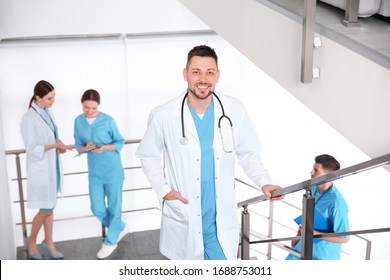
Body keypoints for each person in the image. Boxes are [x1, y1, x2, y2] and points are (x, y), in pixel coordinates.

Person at [136, 45, 283, 260]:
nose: (203, 79)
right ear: (185, 74)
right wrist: (164, 190)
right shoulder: (163, 115)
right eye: (196, 72)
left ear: (218, 76)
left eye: (209, 72)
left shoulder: (234, 109)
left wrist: (264, 181)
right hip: (185, 215)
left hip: (219, 223)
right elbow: (148, 155)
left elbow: (248, 153)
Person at [20, 80, 73, 260]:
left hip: (53, 168)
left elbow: (51, 137)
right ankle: (32, 240)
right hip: (41, 170)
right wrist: (54, 145)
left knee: (50, 207)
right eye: (50, 98)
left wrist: (58, 146)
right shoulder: (28, 119)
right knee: (46, 208)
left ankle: (49, 241)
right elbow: (32, 148)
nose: (53, 101)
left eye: (54, 97)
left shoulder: (47, 112)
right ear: (38, 98)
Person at [73, 89, 127, 259]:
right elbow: (78, 145)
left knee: (114, 208)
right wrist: (85, 148)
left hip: (112, 170)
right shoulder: (78, 121)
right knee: (96, 207)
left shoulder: (108, 121)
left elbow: (119, 141)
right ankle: (119, 227)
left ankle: (111, 242)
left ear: (99, 106)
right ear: (82, 105)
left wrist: (103, 147)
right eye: (86, 107)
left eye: (93, 108)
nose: (89, 111)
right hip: (95, 171)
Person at [286, 154, 349, 260]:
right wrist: (298, 236)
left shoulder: (337, 203)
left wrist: (314, 234)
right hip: (301, 248)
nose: (311, 172)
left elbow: (344, 238)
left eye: (316, 170)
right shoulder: (311, 190)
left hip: (321, 255)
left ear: (328, 176)